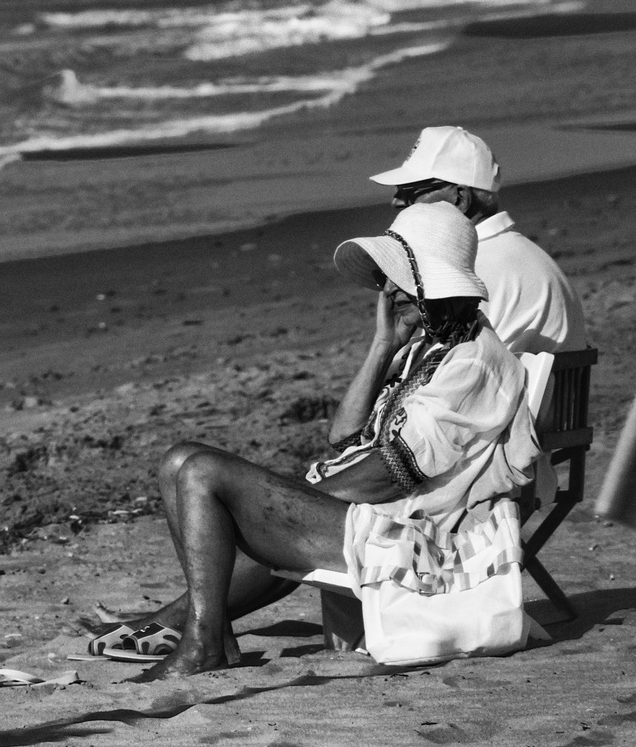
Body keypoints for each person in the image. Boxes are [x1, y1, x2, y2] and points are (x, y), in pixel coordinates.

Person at [122, 203, 539, 679]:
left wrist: (291, 501)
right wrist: (383, 345)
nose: (385, 290)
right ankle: (210, 632)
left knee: (201, 472)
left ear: (429, 285)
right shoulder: (431, 347)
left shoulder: (472, 363)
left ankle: (201, 640)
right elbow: (343, 434)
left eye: (397, 279)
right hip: (382, 514)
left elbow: (392, 472)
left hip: (418, 536)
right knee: (178, 460)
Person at [371, 125, 586, 357]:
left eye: (410, 190)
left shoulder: (463, 273)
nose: (396, 201)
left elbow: (437, 375)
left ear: (460, 199)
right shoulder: (521, 253)